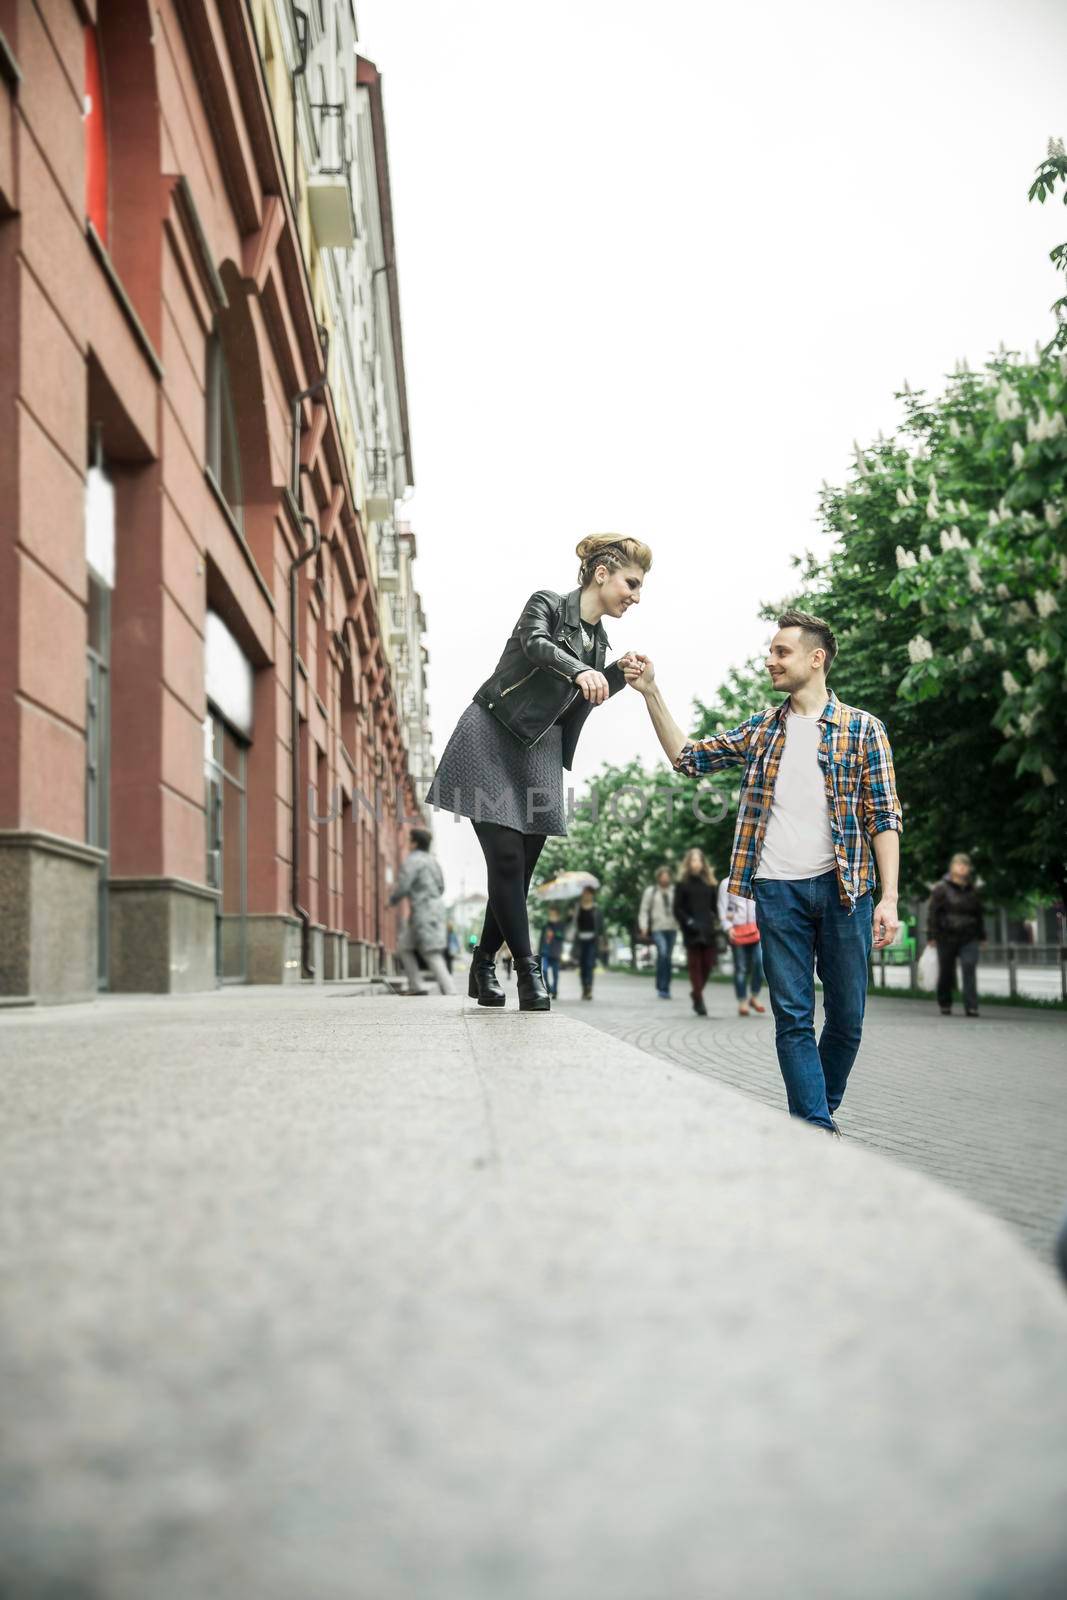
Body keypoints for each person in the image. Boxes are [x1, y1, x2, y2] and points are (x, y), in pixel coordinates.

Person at [624, 608, 902, 1135]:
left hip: (848, 892)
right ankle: (815, 1127)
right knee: (793, 1017)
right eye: (770, 651)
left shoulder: (864, 730)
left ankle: (818, 1110)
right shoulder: (761, 732)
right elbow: (687, 757)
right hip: (777, 891)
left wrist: (888, 897)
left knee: (847, 1020)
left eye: (781, 652)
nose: (769, 659)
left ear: (815, 659)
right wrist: (651, 693)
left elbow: (884, 815)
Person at [425, 535, 651, 1012]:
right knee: (505, 861)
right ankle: (529, 969)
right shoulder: (546, 604)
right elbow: (536, 646)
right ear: (602, 572)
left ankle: (483, 960)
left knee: (521, 870)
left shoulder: (598, 641)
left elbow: (586, 694)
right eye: (631, 583)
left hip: (541, 752)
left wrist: (616, 673)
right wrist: (579, 670)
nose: (636, 595)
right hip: (491, 734)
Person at [387, 828, 455, 996]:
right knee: (404, 945)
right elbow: (441, 887)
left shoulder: (413, 861)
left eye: (409, 840)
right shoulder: (432, 861)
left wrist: (392, 900)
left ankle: (451, 991)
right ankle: (416, 985)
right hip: (432, 910)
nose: (407, 843)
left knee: (431, 952)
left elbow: (403, 885)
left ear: (414, 843)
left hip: (424, 911)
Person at [927, 852, 985, 1017]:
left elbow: (978, 914)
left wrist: (982, 936)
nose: (962, 868)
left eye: (965, 865)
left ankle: (971, 1006)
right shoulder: (941, 889)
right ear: (952, 867)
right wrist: (931, 936)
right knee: (946, 971)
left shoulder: (973, 890)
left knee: (969, 967)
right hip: (946, 936)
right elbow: (933, 913)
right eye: (959, 864)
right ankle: (945, 1002)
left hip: (969, 936)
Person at [673, 849, 719, 1016]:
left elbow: (715, 907)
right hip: (691, 929)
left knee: (707, 964)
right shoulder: (682, 884)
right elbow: (677, 909)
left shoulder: (710, 883)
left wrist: (720, 919)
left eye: (699, 860)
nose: (696, 863)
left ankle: (696, 992)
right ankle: (699, 1000)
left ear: (703, 863)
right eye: (693, 860)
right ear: (688, 863)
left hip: (708, 929)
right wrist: (688, 922)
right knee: (695, 967)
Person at [718, 880, 766, 1017]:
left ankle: (754, 996)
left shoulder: (754, 881)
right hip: (737, 931)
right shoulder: (726, 884)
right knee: (741, 968)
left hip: (755, 930)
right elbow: (722, 907)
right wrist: (728, 928)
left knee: (760, 963)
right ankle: (742, 1000)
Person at [639, 865, 680, 999]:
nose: (665, 878)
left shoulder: (674, 891)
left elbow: (680, 908)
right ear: (658, 877)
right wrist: (644, 926)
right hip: (658, 928)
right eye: (662, 876)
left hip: (672, 928)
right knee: (662, 953)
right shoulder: (651, 891)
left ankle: (665, 986)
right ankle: (662, 986)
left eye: (667, 875)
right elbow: (644, 910)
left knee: (667, 958)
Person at [572, 885, 604, 1000]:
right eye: (584, 893)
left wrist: (602, 941)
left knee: (590, 964)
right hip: (580, 940)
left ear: (592, 895)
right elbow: (573, 924)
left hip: (592, 940)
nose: (586, 895)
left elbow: (601, 927)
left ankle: (589, 988)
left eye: (589, 893)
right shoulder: (577, 907)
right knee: (582, 965)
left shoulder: (596, 909)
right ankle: (584, 987)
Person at [538, 907, 567, 998]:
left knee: (555, 973)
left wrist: (554, 933)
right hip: (545, 952)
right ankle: (549, 988)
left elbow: (562, 936)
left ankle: (555, 991)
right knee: (544, 971)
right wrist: (539, 952)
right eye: (550, 914)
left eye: (553, 914)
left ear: (557, 915)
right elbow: (541, 939)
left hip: (555, 952)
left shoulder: (561, 925)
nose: (551, 916)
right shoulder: (546, 926)